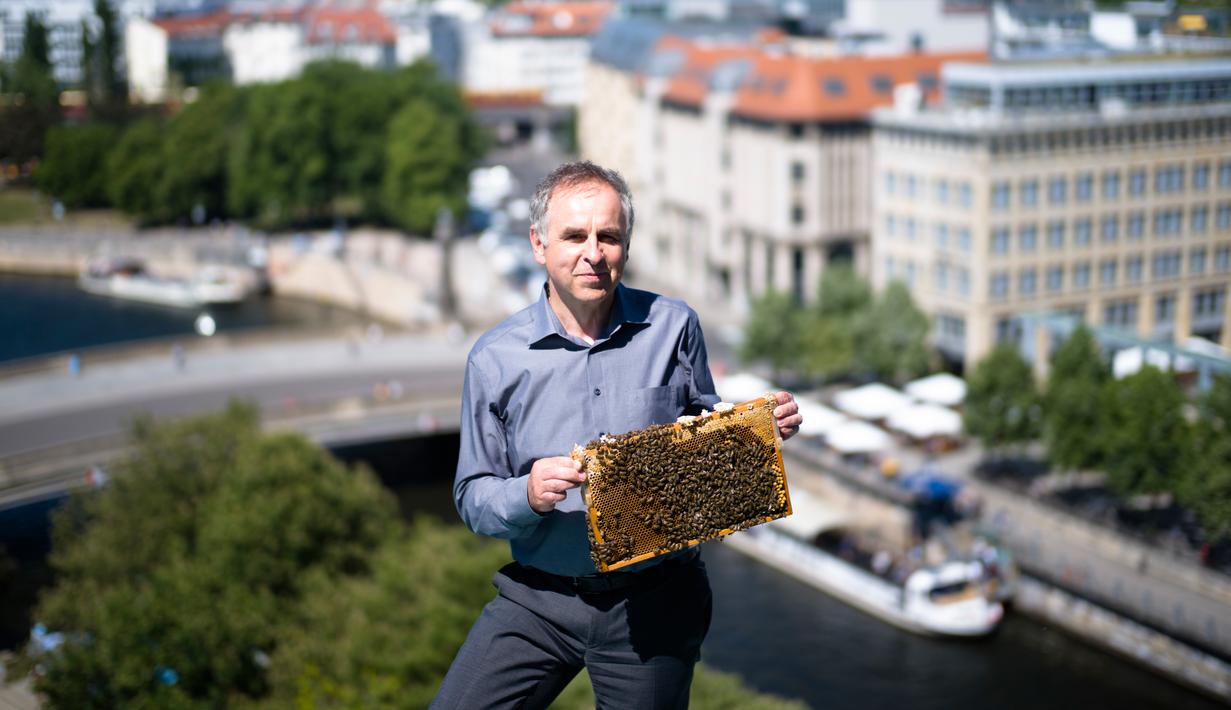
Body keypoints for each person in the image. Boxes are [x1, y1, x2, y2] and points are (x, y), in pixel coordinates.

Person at [432, 161, 801, 709]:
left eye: (609, 236)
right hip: (539, 598)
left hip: (654, 600)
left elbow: (703, 430)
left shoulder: (675, 325)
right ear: (538, 243)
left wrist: (756, 433)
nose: (593, 252)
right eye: (574, 235)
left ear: (626, 245)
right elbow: (472, 499)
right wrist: (527, 493)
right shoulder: (494, 359)